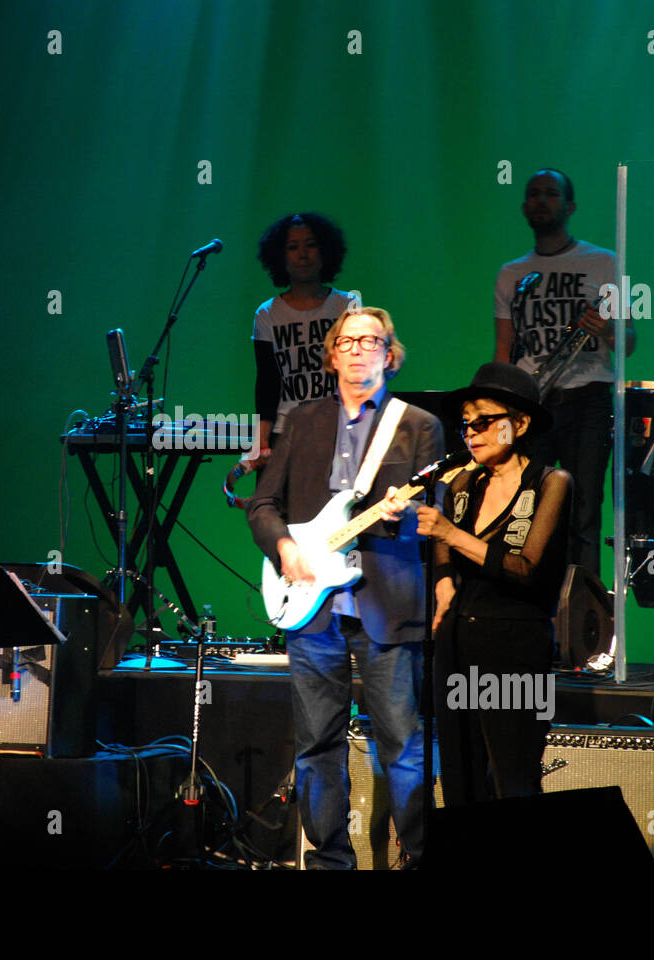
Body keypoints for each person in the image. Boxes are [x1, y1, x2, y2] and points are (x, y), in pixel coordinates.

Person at [247, 306, 444, 869]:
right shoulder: (302, 419)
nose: (359, 349)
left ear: (390, 354)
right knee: (316, 748)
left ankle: (418, 859)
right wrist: (285, 549)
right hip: (312, 610)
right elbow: (263, 504)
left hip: (388, 603)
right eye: (348, 340)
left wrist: (398, 515)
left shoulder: (419, 425)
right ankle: (331, 862)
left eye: (372, 340)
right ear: (332, 354)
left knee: (403, 747)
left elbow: (435, 515)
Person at [417, 362, 571, 805]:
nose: (472, 432)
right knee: (460, 780)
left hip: (517, 642)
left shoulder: (550, 482)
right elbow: (445, 559)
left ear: (519, 424)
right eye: (466, 424)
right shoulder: (460, 484)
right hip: (457, 640)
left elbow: (525, 568)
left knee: (514, 777)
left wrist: (449, 533)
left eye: (485, 421)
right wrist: (443, 588)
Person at [493, 168, 633, 574]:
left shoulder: (603, 263)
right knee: (526, 506)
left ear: (569, 206)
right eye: (533, 194)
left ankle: (582, 613)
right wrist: (500, 410)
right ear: (523, 207)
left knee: (583, 507)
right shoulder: (510, 273)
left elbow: (628, 341)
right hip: (530, 403)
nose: (540, 201)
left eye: (550, 194)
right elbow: (503, 349)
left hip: (587, 398)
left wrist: (605, 328)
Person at [252, 212, 354, 457]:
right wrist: (261, 438)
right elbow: (267, 381)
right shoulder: (267, 313)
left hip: (337, 429)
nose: (303, 255)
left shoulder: (347, 305)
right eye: (293, 247)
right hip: (285, 431)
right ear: (280, 256)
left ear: (325, 252)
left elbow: (356, 373)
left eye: (311, 245)